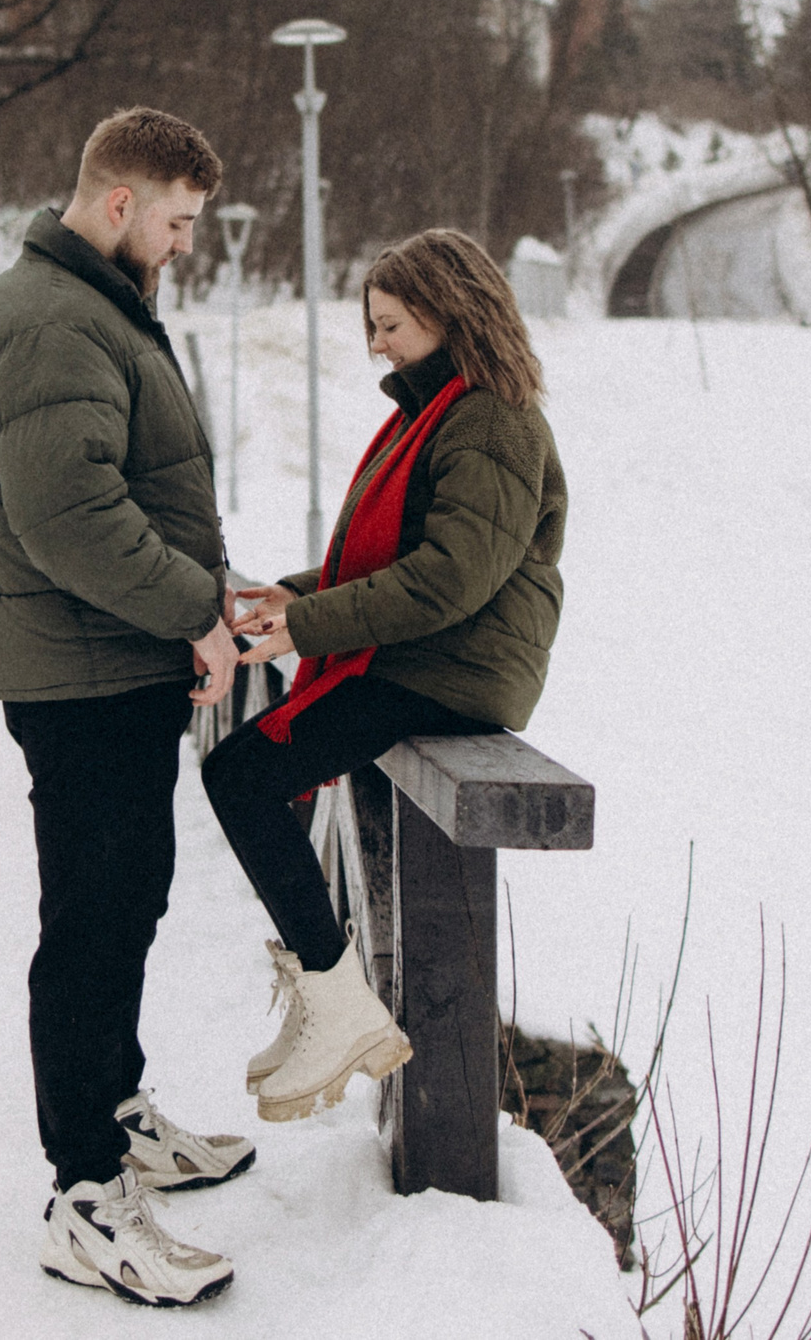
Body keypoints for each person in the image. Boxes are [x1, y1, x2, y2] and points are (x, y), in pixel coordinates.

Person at [0, 106, 253, 1308]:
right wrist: (194, 607)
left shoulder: (89, 310)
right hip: (83, 672)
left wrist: (203, 596)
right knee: (92, 916)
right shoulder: (49, 321)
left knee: (126, 896)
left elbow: (123, 486)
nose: (184, 245)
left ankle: (116, 1117)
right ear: (119, 203)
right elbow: (68, 516)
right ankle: (83, 1195)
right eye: (178, 222)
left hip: (109, 663)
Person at [209, 226, 566, 1124]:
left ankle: (336, 1002)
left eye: (390, 323)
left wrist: (307, 623)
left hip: (452, 668)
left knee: (240, 772)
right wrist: (289, 595)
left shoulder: (491, 416)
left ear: (448, 312)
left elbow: (449, 577)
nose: (375, 343)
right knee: (242, 773)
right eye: (372, 324)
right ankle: (328, 993)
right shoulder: (435, 411)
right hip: (425, 659)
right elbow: (390, 558)